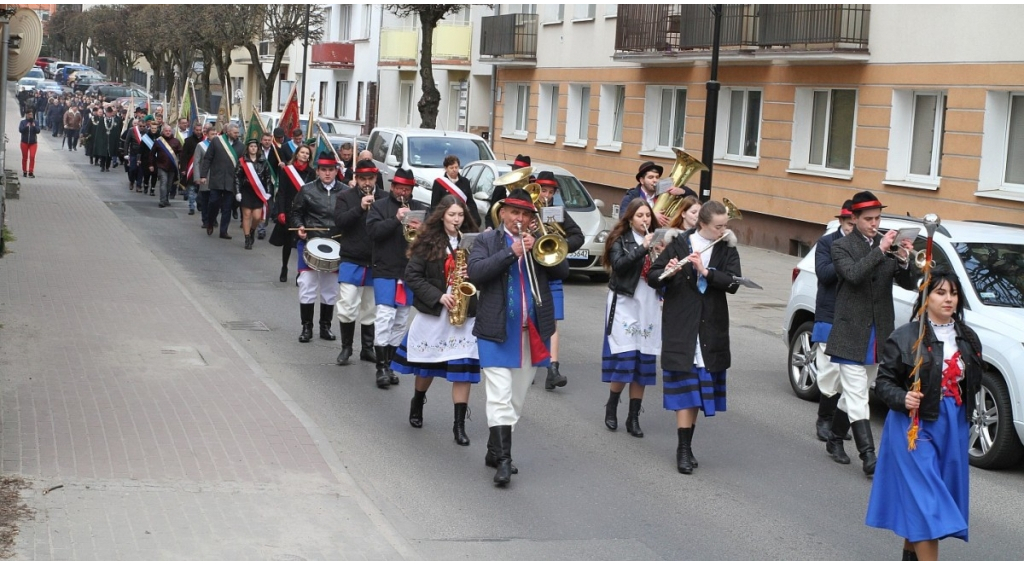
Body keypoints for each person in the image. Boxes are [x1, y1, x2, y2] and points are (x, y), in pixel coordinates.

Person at [865, 269, 983, 561]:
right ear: (925, 297)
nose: (948, 299)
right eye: (940, 292)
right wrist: (902, 396)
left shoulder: (967, 338)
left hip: (952, 425)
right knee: (927, 503)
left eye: (953, 293)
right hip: (913, 427)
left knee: (920, 506)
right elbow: (883, 383)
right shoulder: (906, 336)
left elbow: (973, 384)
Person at [468, 187, 570, 486]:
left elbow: (562, 271)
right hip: (496, 330)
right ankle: (504, 461)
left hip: (531, 332)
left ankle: (493, 449)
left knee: (516, 399)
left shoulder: (537, 242)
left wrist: (541, 242)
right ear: (503, 213)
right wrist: (510, 253)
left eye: (526, 214)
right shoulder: (487, 240)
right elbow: (476, 273)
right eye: (515, 213)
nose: (520, 219)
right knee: (499, 395)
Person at [824, 191, 918, 476]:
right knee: (857, 394)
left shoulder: (885, 246)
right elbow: (853, 275)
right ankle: (869, 456)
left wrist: (903, 259)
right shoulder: (841, 246)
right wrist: (880, 251)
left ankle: (835, 437)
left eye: (878, 218)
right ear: (854, 218)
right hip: (850, 329)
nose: (874, 224)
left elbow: (908, 282)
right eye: (868, 219)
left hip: (879, 330)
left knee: (857, 390)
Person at [647, 200, 741, 475]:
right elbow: (653, 277)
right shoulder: (679, 242)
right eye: (718, 226)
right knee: (686, 391)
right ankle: (683, 449)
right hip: (682, 324)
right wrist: (669, 272)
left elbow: (734, 282)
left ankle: (687, 443)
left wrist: (706, 272)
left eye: (726, 225)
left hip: (710, 326)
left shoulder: (726, 246)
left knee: (698, 391)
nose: (723, 230)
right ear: (702, 224)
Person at [390, 195, 482, 445]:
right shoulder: (428, 241)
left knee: (463, 371)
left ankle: (459, 426)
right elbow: (413, 275)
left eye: (460, 215)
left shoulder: (472, 242)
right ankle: (418, 401)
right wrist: (439, 296)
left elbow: (484, 272)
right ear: (442, 215)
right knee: (427, 366)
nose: (456, 219)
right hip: (435, 313)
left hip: (464, 316)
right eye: (452, 215)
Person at [600, 198, 662, 436]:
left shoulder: (657, 238)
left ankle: (633, 417)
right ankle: (612, 406)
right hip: (625, 303)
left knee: (643, 364)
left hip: (649, 304)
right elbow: (619, 265)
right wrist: (642, 248)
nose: (645, 220)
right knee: (625, 359)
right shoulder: (620, 239)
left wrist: (663, 255)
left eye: (648, 215)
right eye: (640, 216)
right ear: (630, 218)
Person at [366, 168, 427, 388]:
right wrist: (396, 219)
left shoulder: (419, 209)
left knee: (401, 319)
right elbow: (373, 233)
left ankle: (390, 364)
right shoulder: (380, 206)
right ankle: (380, 367)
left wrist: (421, 230)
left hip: (409, 271)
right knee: (384, 316)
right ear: (392, 187)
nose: (403, 191)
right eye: (400, 187)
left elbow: (429, 239)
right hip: (385, 268)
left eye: (407, 188)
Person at [533, 170, 585, 390]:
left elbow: (578, 236)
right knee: (531, 321)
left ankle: (552, 369)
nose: (546, 195)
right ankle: (529, 363)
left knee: (552, 322)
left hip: (553, 271)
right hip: (532, 272)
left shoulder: (557, 212)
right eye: (542, 190)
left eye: (550, 191)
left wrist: (561, 245)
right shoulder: (526, 212)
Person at [332, 158, 385, 366]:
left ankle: (367, 348)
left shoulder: (384, 198)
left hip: (375, 260)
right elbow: (340, 223)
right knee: (347, 304)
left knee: (370, 307)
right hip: (352, 258)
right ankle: (346, 348)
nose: (366, 183)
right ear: (356, 179)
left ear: (376, 178)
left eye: (370, 178)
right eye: (362, 179)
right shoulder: (345, 197)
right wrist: (360, 209)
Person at [812, 200, 857, 441]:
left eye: (854, 224)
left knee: (848, 373)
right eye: (849, 224)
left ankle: (838, 421)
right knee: (829, 370)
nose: (852, 228)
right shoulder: (826, 242)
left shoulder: (863, 245)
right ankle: (824, 419)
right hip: (830, 314)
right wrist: (845, 258)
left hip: (853, 317)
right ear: (841, 222)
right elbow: (825, 274)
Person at [289, 152, 345, 343]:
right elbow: (295, 213)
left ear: (336, 171)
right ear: (318, 171)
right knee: (306, 284)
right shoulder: (307, 190)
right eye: (324, 170)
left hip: (335, 245)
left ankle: (325, 326)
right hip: (310, 243)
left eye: (331, 170)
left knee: (330, 288)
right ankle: (306, 327)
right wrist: (300, 228)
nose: (327, 174)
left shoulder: (345, 192)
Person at [270, 145, 315, 282]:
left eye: (307, 153)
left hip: (304, 212)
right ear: (297, 154)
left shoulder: (311, 173)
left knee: (302, 243)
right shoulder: (287, 171)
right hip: (289, 210)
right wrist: (281, 211)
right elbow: (282, 192)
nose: (305, 155)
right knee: (288, 243)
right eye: (302, 152)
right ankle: (284, 267)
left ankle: (300, 272)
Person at [200, 124, 244, 239]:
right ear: (228, 132)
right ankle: (210, 222)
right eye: (235, 132)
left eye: (237, 133)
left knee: (227, 207)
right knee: (213, 203)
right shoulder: (216, 141)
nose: (237, 135)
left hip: (231, 181)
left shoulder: (241, 146)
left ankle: (223, 231)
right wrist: (203, 175)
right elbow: (208, 158)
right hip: (217, 178)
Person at [234, 138, 274, 250]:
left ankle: (252, 230)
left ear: (258, 148)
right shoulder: (242, 161)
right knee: (246, 216)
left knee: (257, 217)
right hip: (246, 191)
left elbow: (267, 179)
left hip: (258, 192)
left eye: (255, 146)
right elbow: (237, 177)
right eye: (251, 146)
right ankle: (247, 238)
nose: (253, 148)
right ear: (248, 148)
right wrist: (237, 191)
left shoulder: (263, 162)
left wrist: (269, 192)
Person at [430, 155, 483, 229]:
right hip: (446, 220)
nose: (454, 170)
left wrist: (476, 219)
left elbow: (470, 201)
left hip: (462, 219)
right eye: (451, 168)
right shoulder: (439, 183)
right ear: (446, 168)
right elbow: (435, 204)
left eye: (456, 167)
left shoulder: (465, 182)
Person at [486, 154, 531, 229]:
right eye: (516, 169)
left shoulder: (531, 190)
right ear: (512, 170)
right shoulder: (501, 188)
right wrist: (489, 227)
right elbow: (491, 213)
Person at [146, 124, 183, 209]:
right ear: (163, 131)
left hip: (172, 167)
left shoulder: (176, 141)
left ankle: (166, 199)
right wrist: (151, 164)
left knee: (169, 185)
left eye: (169, 131)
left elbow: (181, 153)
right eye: (166, 131)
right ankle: (162, 201)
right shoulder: (158, 141)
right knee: (163, 183)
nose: (168, 132)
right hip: (161, 166)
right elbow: (151, 154)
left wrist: (180, 163)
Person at [180, 123, 208, 216]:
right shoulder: (188, 141)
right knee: (192, 189)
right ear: (193, 130)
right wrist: (183, 168)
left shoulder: (206, 142)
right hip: (191, 168)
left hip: (203, 168)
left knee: (201, 189)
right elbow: (183, 156)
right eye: (197, 130)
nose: (199, 132)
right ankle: (191, 207)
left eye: (200, 130)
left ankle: (200, 204)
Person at [195, 129, 218, 229]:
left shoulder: (220, 146)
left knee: (215, 200)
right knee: (205, 200)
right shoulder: (201, 145)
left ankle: (213, 218)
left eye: (216, 134)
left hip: (216, 177)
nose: (214, 135)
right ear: (207, 135)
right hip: (205, 177)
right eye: (212, 134)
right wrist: (197, 177)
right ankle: (205, 220)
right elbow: (196, 162)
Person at [91, 106, 122, 173]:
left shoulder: (115, 121)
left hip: (111, 140)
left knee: (109, 155)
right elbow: (99, 131)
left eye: (110, 113)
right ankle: (102, 166)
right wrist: (100, 140)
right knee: (103, 154)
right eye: (108, 112)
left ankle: (107, 166)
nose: (109, 114)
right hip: (103, 140)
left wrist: (116, 140)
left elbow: (117, 131)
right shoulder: (102, 120)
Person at [18, 110, 40, 178]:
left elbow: (38, 131)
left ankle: (31, 171)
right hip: (24, 142)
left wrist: (34, 126)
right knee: (25, 157)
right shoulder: (23, 122)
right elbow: (20, 130)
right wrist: (26, 127)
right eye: (29, 114)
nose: (31, 116)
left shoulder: (35, 122)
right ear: (26, 115)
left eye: (31, 114)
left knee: (32, 156)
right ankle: (24, 171)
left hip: (33, 143)